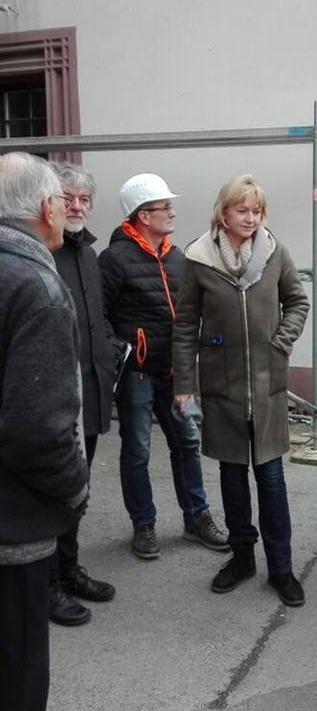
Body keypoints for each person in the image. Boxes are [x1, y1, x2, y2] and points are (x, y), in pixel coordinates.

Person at [172, 174, 310, 606]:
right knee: (232, 477)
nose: (251, 218)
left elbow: (298, 301)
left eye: (257, 211)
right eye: (242, 210)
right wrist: (185, 384)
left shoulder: (274, 252)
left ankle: (281, 568)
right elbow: (185, 325)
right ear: (224, 212)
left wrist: (281, 342)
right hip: (223, 386)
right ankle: (242, 558)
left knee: (271, 478)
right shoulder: (199, 258)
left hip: (267, 386)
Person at [0, 153, 89, 711]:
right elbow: (38, 431)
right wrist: (75, 490)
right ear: (46, 208)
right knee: (17, 669)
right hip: (14, 526)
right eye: (61, 198)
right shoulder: (35, 284)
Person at [98, 172, 228, 560]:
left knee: (187, 444)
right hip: (137, 375)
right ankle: (144, 524)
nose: (172, 212)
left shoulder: (176, 257)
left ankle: (196, 518)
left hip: (177, 373)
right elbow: (98, 315)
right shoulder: (114, 260)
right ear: (143, 215)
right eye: (164, 207)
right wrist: (123, 350)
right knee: (137, 450)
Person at [46, 161, 118, 627]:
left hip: (90, 391)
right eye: (67, 198)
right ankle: (48, 584)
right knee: (54, 492)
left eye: (84, 199)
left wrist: (110, 351)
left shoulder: (88, 254)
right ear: (50, 203)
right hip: (55, 397)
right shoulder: (42, 254)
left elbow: (99, 315)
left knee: (79, 487)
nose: (76, 206)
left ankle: (69, 569)